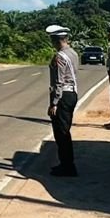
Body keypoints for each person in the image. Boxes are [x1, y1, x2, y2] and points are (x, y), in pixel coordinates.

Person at [45, 24, 79, 176]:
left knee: (61, 133)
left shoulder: (60, 56)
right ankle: (66, 164)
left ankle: (67, 166)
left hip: (63, 96)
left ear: (56, 40)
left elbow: (59, 81)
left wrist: (54, 103)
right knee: (65, 129)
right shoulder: (73, 53)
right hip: (72, 93)